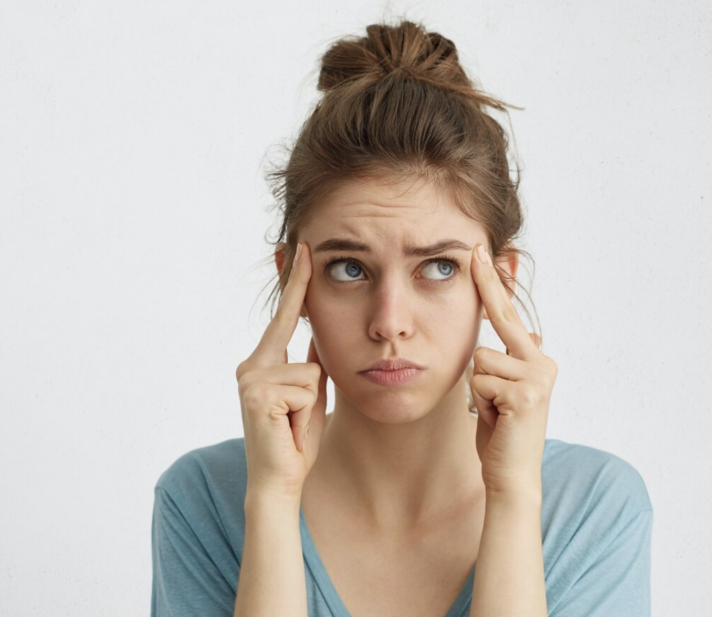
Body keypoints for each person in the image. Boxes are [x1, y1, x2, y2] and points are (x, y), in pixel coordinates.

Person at [151, 19, 652, 617]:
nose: (390, 323)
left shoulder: (595, 507)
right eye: (349, 269)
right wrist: (273, 503)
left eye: (438, 267)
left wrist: (515, 497)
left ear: (501, 279)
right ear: (294, 280)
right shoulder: (203, 499)